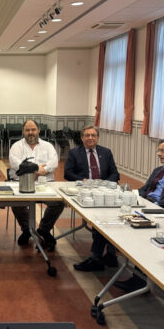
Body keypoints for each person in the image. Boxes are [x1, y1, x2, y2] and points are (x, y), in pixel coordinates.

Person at [65, 125, 120, 271]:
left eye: (93, 135)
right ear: (82, 138)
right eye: (87, 135)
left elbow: (115, 174)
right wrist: (82, 181)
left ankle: (109, 254)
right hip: (85, 192)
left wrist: (104, 184)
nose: (90, 138)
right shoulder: (74, 153)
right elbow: (68, 173)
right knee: (99, 221)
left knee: (110, 219)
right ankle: (102, 256)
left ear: (97, 137)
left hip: (105, 192)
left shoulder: (106, 152)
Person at [114, 140, 164, 292]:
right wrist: (131, 195)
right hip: (146, 206)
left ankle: (140, 281)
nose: (159, 154)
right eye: (159, 150)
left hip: (158, 212)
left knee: (142, 238)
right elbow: (144, 189)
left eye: (162, 151)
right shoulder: (158, 170)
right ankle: (108, 256)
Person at [9, 120, 64, 250]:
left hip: (45, 184)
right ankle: (27, 229)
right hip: (21, 184)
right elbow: (16, 164)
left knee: (58, 203)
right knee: (15, 202)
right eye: (27, 130)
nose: (30, 132)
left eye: (33, 129)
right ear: (23, 131)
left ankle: (43, 230)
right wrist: (37, 168)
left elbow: (54, 163)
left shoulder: (48, 146)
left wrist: (36, 171)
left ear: (38, 130)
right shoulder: (16, 146)